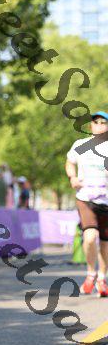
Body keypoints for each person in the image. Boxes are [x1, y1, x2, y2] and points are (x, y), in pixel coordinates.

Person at [65, 110, 108, 297]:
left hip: (106, 200)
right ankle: (91, 274)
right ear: (90, 125)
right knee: (90, 237)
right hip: (85, 197)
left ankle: (102, 278)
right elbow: (70, 162)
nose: (99, 125)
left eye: (103, 122)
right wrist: (72, 177)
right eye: (95, 122)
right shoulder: (82, 145)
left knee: (105, 242)